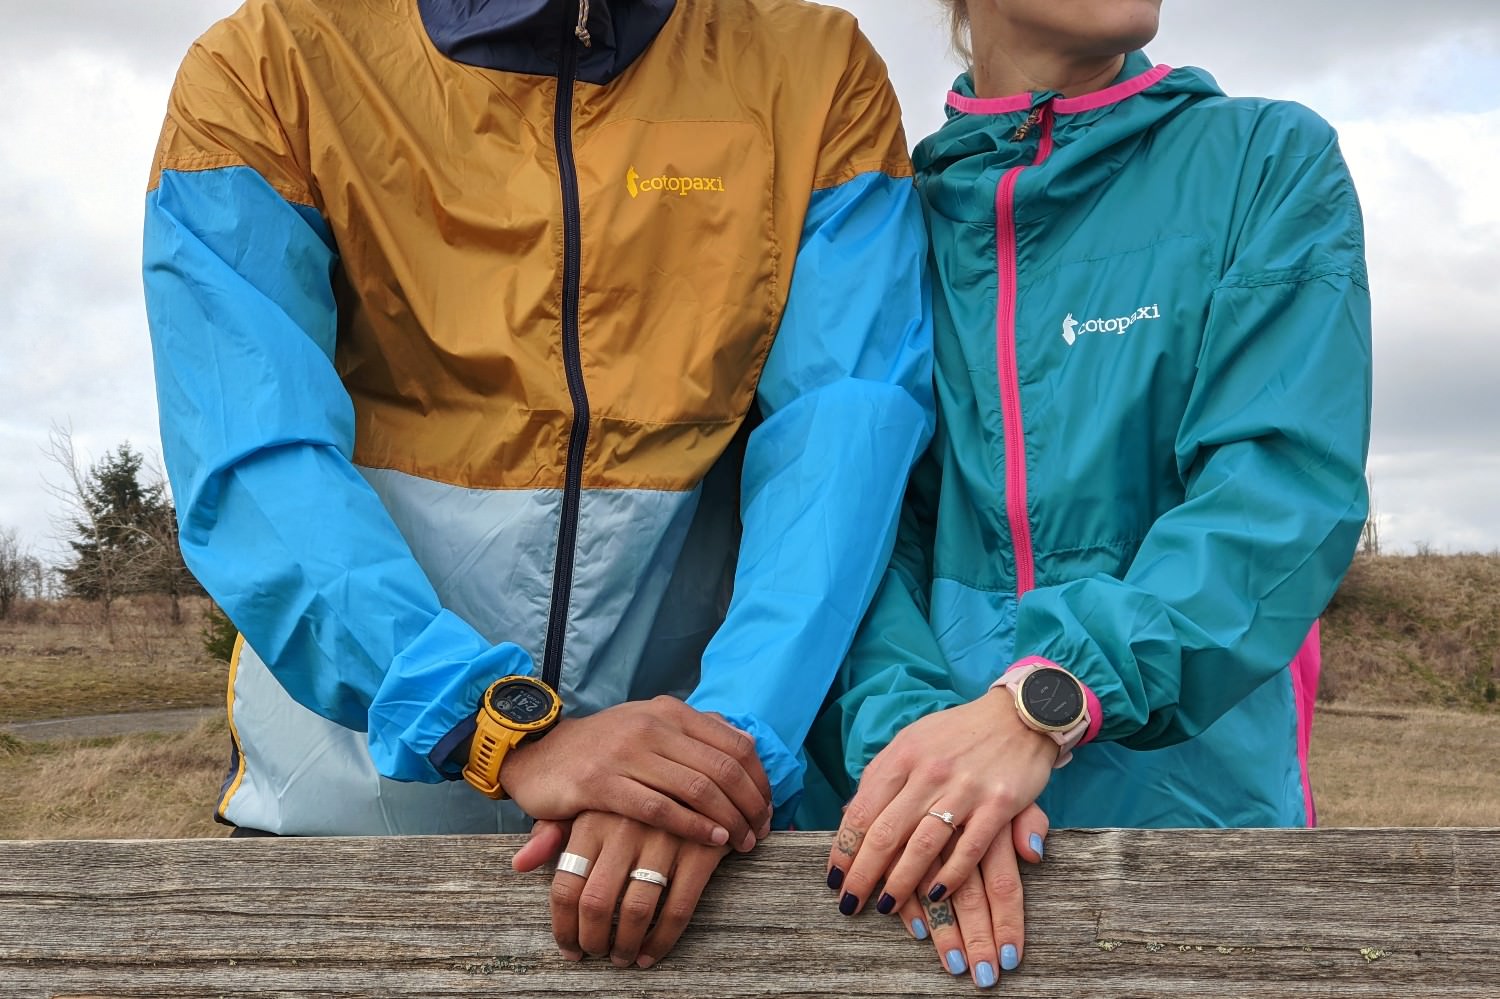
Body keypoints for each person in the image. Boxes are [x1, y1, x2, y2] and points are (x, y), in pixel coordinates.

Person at [142, 0, 934, 969]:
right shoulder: (272, 65)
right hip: (344, 846)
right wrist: (499, 728)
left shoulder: (815, 73)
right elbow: (255, 454)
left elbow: (844, 442)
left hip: (693, 872)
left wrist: (709, 764)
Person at [805, 0, 1372, 989]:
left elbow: (1275, 498)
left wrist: (1037, 707)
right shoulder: (880, 220)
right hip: (912, 868)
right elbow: (852, 533)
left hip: (1195, 854)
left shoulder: (1266, 162)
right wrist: (918, 761)